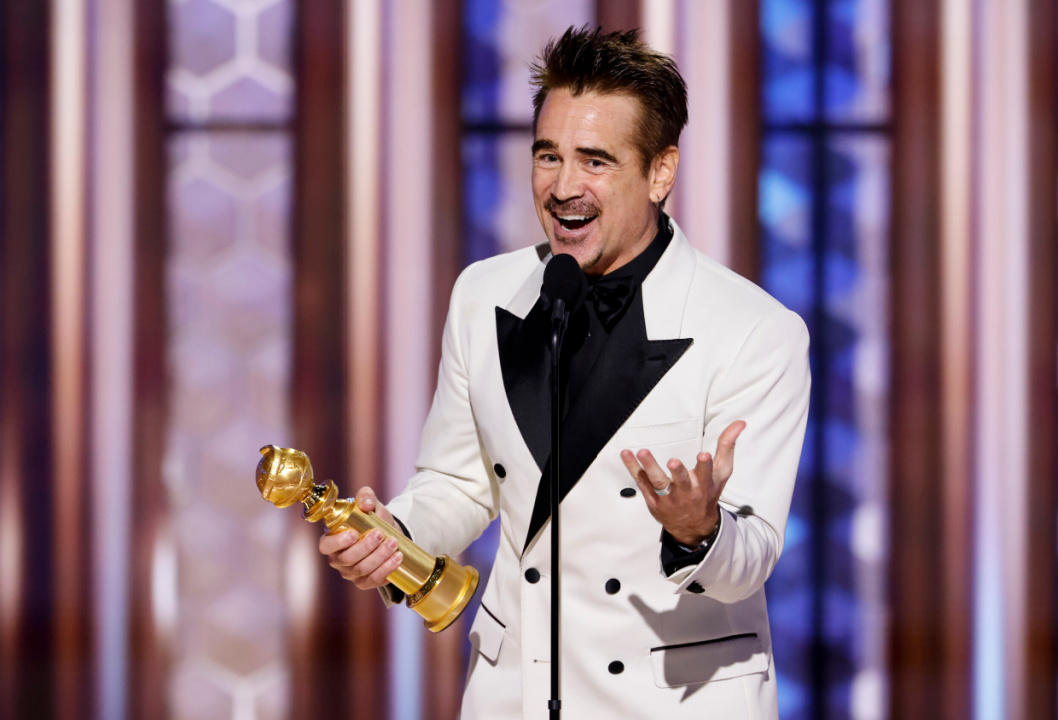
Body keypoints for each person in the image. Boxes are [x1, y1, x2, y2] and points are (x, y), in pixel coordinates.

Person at [318, 26, 810, 719]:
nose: (562, 187)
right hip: (513, 691)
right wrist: (394, 534)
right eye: (547, 156)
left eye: (596, 161)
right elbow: (460, 482)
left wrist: (698, 530)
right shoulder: (482, 294)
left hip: (673, 700)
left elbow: (751, 557)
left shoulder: (756, 330)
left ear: (661, 171)